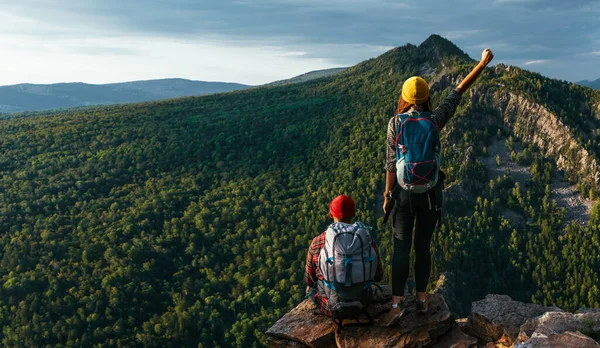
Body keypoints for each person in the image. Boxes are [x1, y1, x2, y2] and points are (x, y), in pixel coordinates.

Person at [383, 48, 494, 326]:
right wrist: (481, 64)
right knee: (423, 247)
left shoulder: (396, 123)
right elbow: (459, 90)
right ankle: (421, 300)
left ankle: (396, 304)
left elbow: (388, 164)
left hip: (404, 195)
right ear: (426, 97)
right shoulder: (434, 119)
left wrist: (387, 195)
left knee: (400, 248)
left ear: (405, 98)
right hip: (431, 195)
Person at [305, 195, 383, 316]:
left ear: (331, 214)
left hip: (332, 305)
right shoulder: (366, 240)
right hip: (363, 302)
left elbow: (309, 278)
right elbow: (378, 276)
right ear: (353, 214)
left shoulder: (319, 242)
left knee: (311, 289)